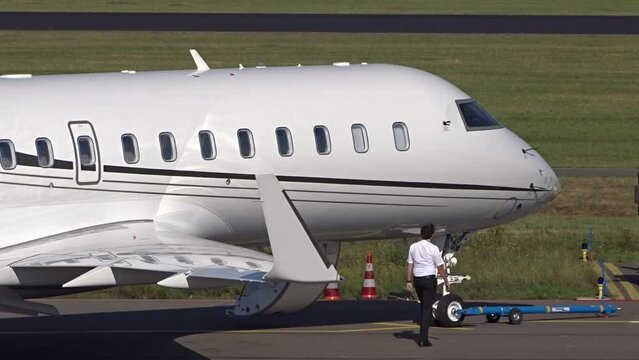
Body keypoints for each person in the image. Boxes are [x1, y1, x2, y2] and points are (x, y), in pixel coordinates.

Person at [406, 224, 450, 347]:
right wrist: (446, 280)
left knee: (423, 306)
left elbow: (410, 264)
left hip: (417, 280)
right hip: (429, 279)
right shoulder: (434, 248)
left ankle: (423, 334)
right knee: (427, 308)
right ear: (431, 234)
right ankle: (423, 339)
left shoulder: (413, 247)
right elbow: (440, 267)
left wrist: (408, 281)